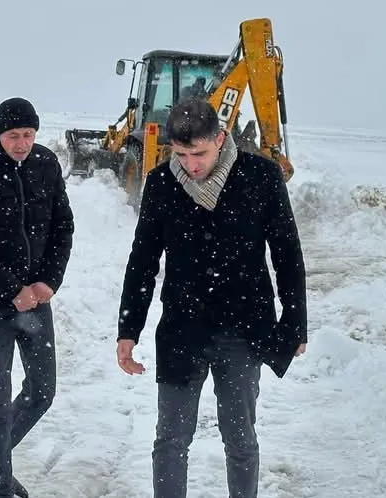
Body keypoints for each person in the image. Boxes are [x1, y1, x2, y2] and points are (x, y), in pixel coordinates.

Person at [115, 97, 307, 498]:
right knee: (170, 440)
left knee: (239, 439)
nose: (191, 165)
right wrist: (127, 330)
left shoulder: (261, 177)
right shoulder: (162, 183)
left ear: (220, 139)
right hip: (182, 330)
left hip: (243, 329)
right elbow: (143, 261)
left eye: (199, 153)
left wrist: (294, 323)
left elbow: (287, 253)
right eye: (181, 154)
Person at [0, 97, 75, 498]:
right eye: (13, 136)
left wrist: (47, 283)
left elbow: (63, 226)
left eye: (28, 134)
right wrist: (12, 289)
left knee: (42, 390)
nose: (22, 143)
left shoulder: (45, 163)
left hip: (37, 302)